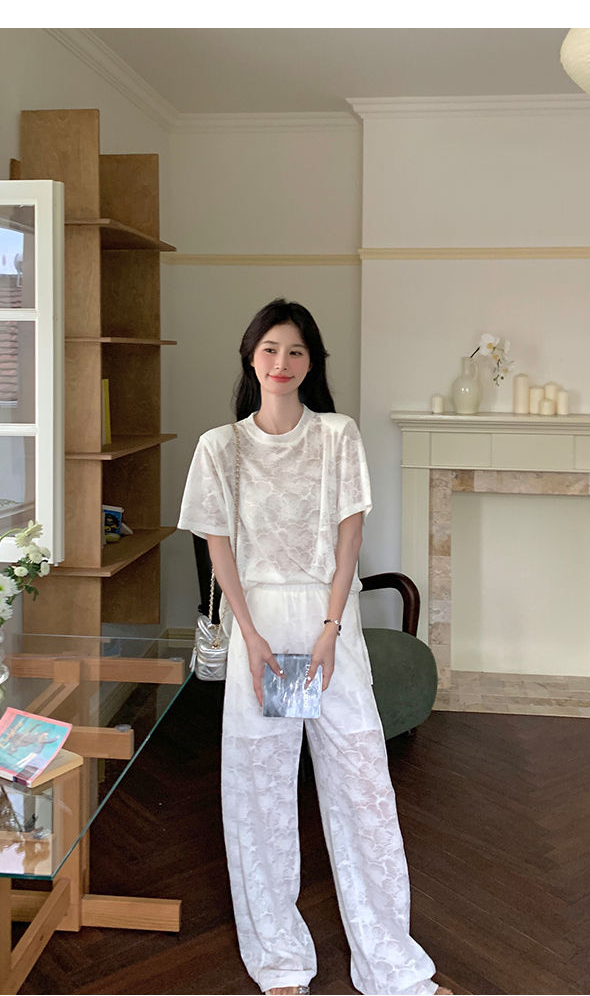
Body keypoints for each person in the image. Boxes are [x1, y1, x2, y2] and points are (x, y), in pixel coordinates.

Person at [178, 299, 452, 996]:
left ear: (311, 363)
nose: (282, 362)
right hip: (259, 629)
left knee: (363, 788)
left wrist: (330, 630)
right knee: (260, 791)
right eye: (270, 349)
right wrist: (251, 636)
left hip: (331, 624)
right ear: (251, 357)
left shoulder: (337, 435)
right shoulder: (220, 447)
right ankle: (279, 958)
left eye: (295, 351)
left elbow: (349, 537)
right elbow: (218, 550)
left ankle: (389, 964)